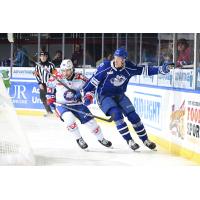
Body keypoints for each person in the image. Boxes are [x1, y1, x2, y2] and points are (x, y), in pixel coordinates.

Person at [81, 47, 174, 151]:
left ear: (124, 59)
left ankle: (145, 140)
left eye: (119, 58)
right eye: (115, 57)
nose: (116, 60)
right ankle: (129, 140)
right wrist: (86, 95)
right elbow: (91, 84)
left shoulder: (129, 67)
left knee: (134, 117)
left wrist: (162, 69)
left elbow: (145, 70)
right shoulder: (105, 67)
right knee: (116, 114)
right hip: (104, 96)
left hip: (120, 95)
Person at [46, 59, 112, 150]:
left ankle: (101, 139)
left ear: (72, 69)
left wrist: (87, 97)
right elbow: (49, 88)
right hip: (62, 105)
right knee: (69, 119)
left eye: (67, 70)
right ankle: (79, 139)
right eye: (63, 71)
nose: (65, 73)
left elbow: (91, 88)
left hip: (78, 104)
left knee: (92, 123)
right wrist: (51, 101)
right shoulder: (56, 77)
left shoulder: (81, 78)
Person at [34, 51, 55, 116]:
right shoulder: (37, 65)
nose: (43, 57)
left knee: (52, 98)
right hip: (42, 84)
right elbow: (36, 75)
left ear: (47, 57)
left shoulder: (51, 65)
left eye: (44, 56)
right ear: (40, 57)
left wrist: (52, 82)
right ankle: (49, 111)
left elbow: (55, 74)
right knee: (43, 98)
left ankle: (58, 110)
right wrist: (39, 83)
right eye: (41, 56)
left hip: (50, 84)